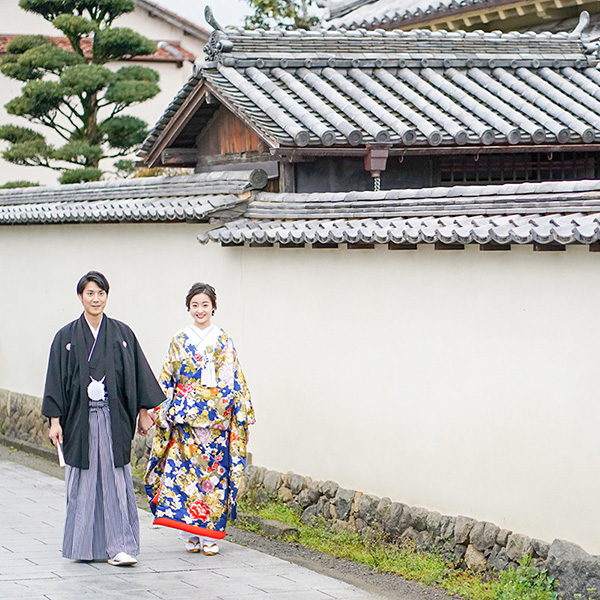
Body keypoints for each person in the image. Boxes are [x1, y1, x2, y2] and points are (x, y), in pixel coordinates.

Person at [42, 271, 165, 566]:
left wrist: (144, 412)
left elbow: (137, 375)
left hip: (113, 417)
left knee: (115, 481)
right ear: (81, 297)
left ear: (107, 296)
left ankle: (120, 546)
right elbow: (56, 380)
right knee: (82, 482)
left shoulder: (122, 334)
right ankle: (84, 546)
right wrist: (55, 421)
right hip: (79, 420)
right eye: (90, 293)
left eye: (101, 293)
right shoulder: (66, 337)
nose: (96, 299)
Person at [145, 282, 254, 554]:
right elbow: (168, 376)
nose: (200, 310)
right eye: (195, 305)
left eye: (205, 304)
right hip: (186, 421)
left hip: (216, 421)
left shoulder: (223, 339)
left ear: (213, 307)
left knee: (213, 477)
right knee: (186, 478)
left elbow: (233, 376)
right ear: (188, 308)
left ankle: (210, 536)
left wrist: (239, 408)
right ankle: (190, 534)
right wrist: (159, 407)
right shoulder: (179, 339)